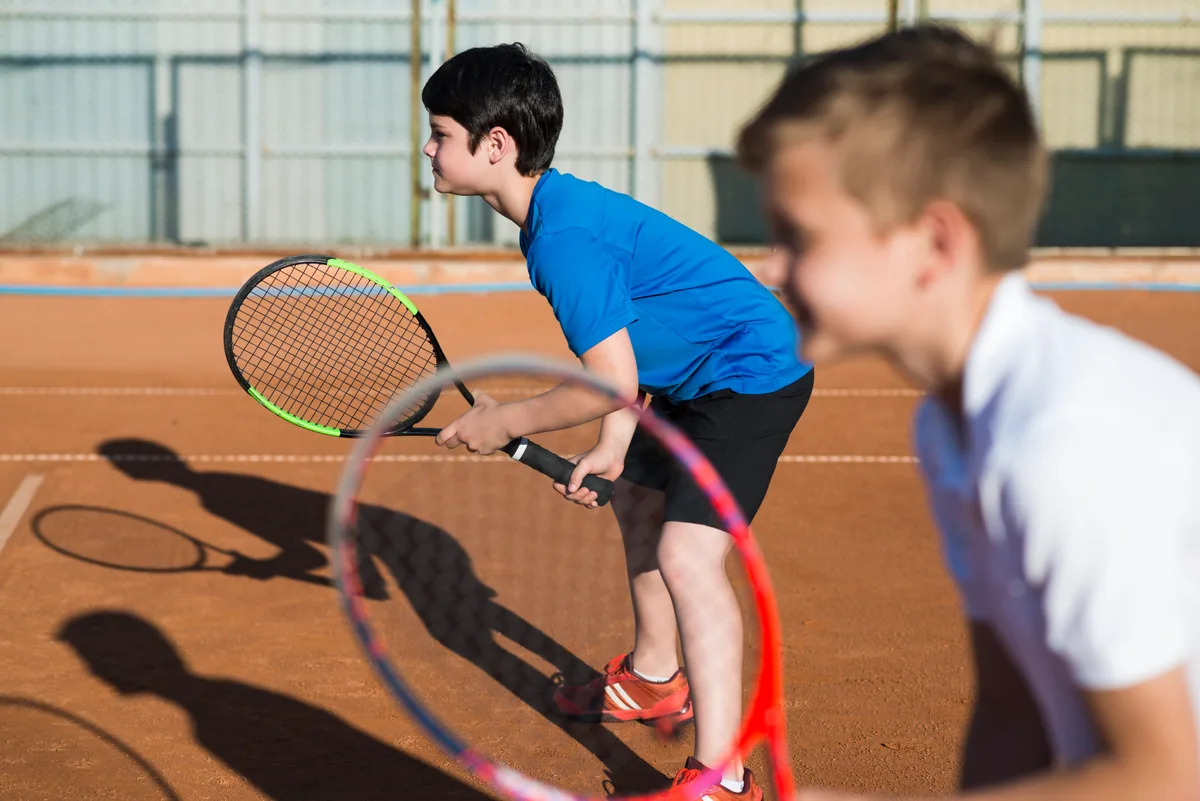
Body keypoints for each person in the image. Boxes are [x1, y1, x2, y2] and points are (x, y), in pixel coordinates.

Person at [737, 22, 1200, 801]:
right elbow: (1011, 712)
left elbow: (1164, 777)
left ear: (934, 244)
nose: (768, 265)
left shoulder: (1060, 444)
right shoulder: (952, 421)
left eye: (798, 235)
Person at [422, 42, 815, 799]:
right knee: (634, 496)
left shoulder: (563, 241)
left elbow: (608, 380)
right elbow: (626, 364)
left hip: (750, 375)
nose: (430, 148)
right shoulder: (555, 214)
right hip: (689, 372)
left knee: (689, 556)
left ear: (494, 146)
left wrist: (507, 420)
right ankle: (655, 678)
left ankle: (723, 775)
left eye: (440, 133)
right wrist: (612, 442)